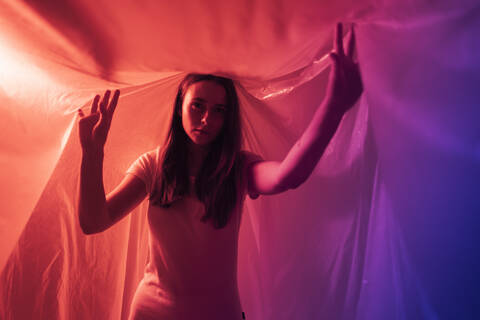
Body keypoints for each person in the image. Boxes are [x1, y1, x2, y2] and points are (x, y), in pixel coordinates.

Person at [76, 23, 362, 320]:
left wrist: (334, 107)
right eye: (197, 106)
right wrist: (92, 154)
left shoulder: (238, 169)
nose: (206, 119)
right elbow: (94, 221)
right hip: (152, 313)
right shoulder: (154, 166)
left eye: (219, 110)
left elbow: (288, 176)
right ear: (180, 107)